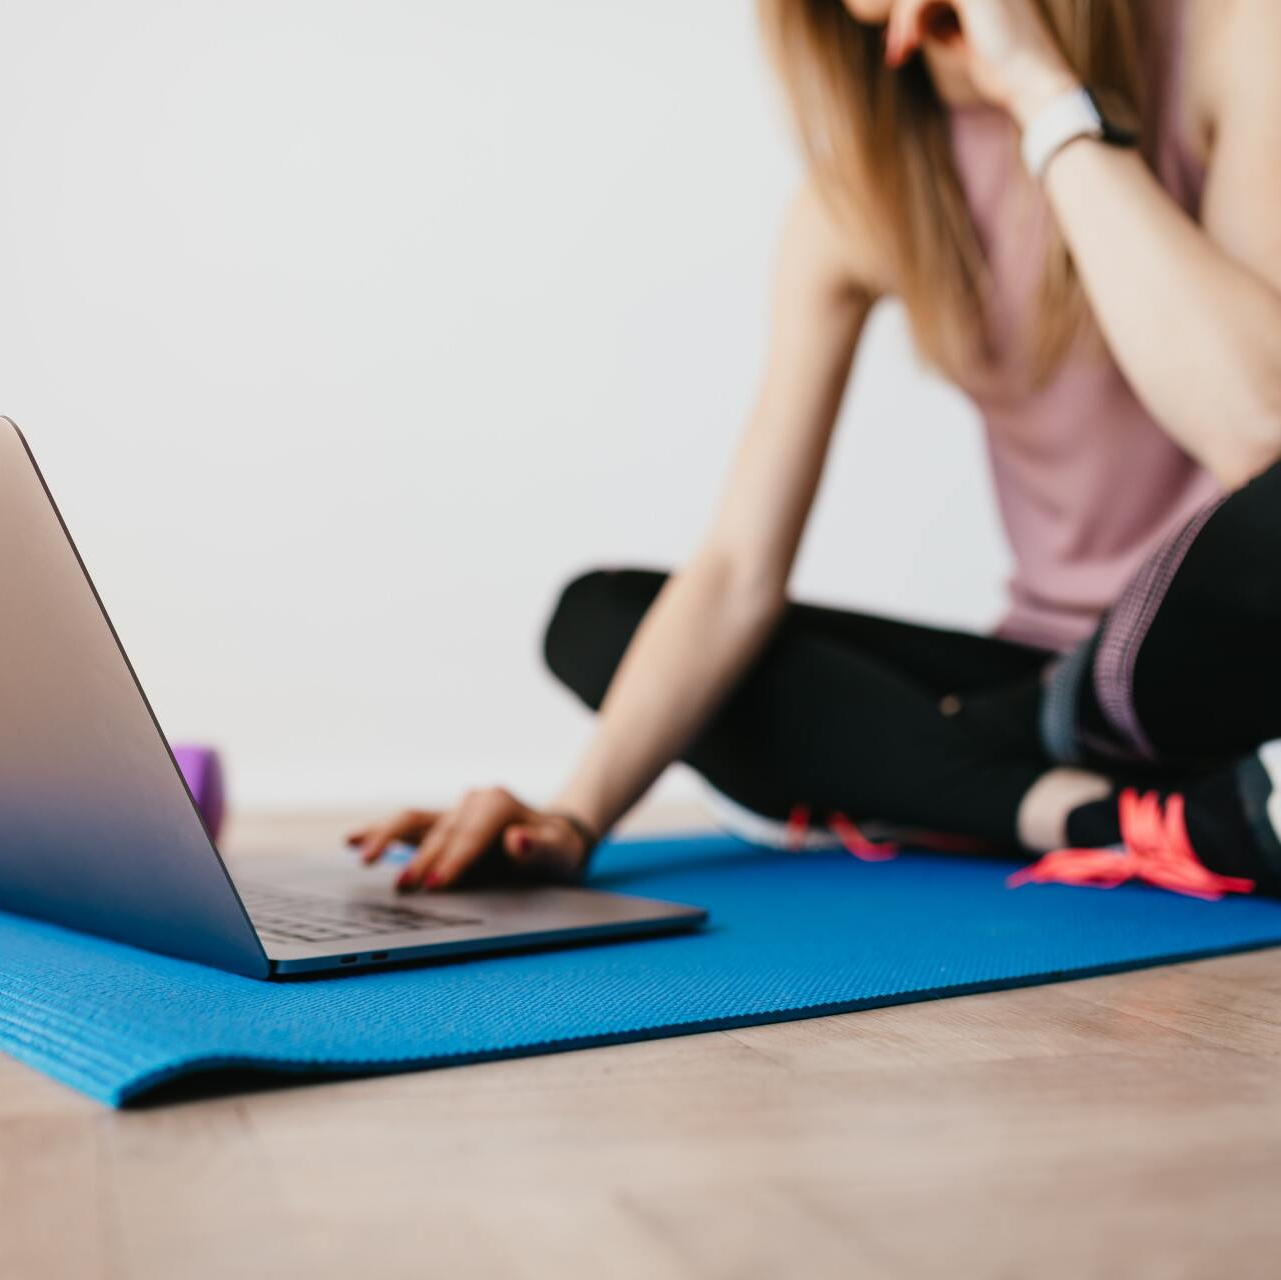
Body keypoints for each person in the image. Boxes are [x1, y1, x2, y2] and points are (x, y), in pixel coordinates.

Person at [350, 0, 1281, 901]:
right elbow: (737, 570)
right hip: (1030, 678)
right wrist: (572, 819)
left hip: (1205, 651)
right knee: (600, 621)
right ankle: (1109, 819)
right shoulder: (857, 196)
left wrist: (1039, 89)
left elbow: (1261, 428)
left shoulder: (1228, 34)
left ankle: (939, 780)